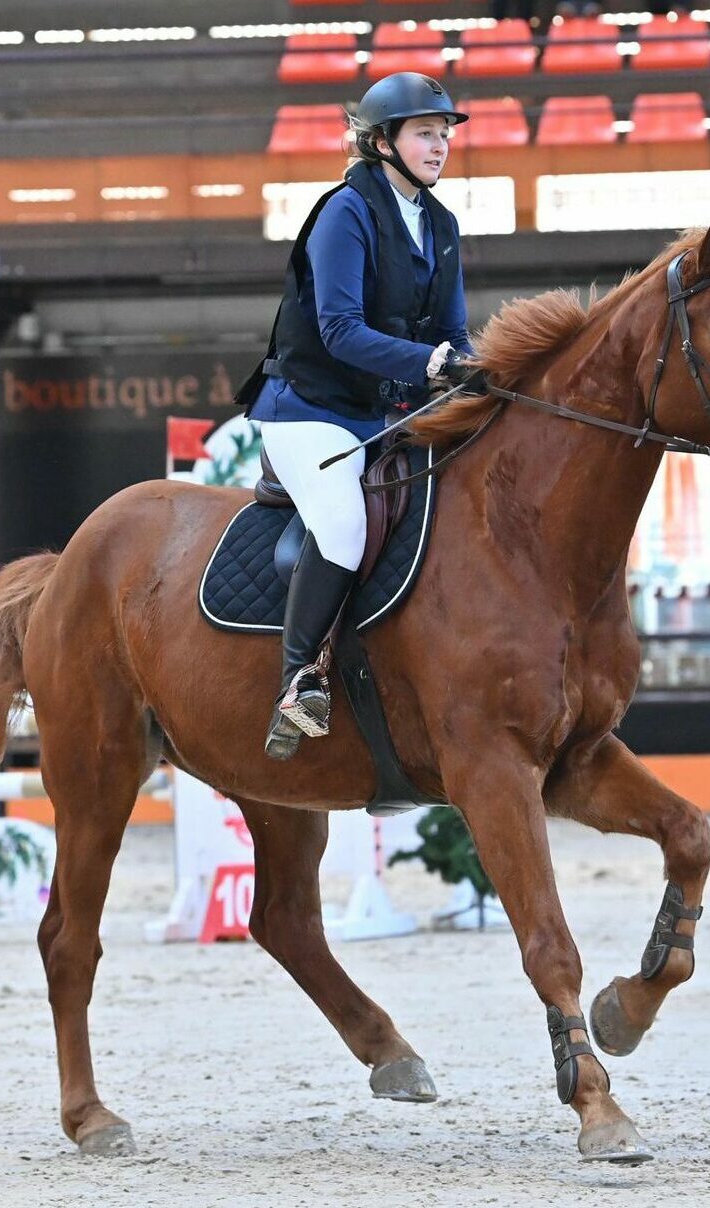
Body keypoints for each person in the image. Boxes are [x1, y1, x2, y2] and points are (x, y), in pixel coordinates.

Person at [236, 72, 478, 761]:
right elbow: (339, 330)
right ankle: (298, 681)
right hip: (310, 409)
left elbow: (455, 331)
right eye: (425, 134)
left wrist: (473, 368)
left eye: (444, 134)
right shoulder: (345, 212)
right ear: (382, 142)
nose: (440, 146)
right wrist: (433, 365)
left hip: (387, 412)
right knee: (342, 522)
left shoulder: (441, 223)